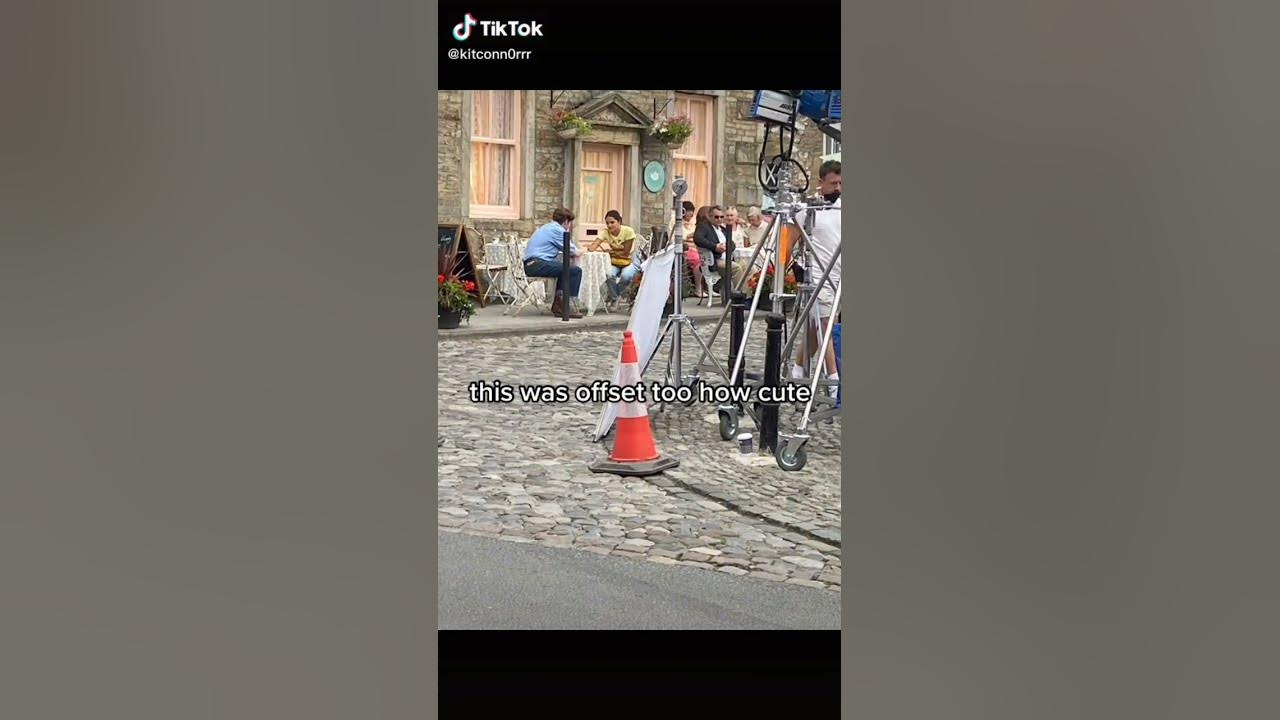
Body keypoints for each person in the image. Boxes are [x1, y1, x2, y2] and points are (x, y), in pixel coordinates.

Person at [792, 160, 841, 385]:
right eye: (833, 183)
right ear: (822, 182)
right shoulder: (807, 211)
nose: (838, 187)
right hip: (819, 275)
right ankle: (833, 380)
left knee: (815, 327)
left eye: (841, 183)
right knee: (824, 325)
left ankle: (798, 370)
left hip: (839, 276)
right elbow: (789, 241)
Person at [523, 207, 584, 318]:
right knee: (575, 271)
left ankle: (559, 305)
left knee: (564, 269)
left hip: (531, 263)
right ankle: (568, 305)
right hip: (536, 263)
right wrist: (583, 251)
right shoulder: (557, 230)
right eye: (570, 223)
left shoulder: (547, 227)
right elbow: (572, 250)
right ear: (566, 221)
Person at [693, 205, 748, 295]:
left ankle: (747, 296)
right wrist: (715, 247)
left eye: (722, 217)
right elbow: (698, 239)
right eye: (716, 217)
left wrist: (726, 247)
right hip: (716, 260)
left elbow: (732, 244)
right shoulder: (704, 227)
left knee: (748, 267)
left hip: (727, 259)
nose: (719, 219)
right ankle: (739, 296)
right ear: (710, 217)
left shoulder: (723, 229)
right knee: (737, 268)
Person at [587, 210, 638, 307]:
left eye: (612, 222)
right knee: (608, 275)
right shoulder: (606, 232)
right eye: (607, 223)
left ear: (619, 222)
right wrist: (591, 248)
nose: (609, 225)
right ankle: (615, 297)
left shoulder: (628, 231)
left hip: (628, 261)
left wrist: (610, 252)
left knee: (626, 276)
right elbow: (596, 243)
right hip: (614, 262)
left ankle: (613, 295)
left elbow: (626, 252)